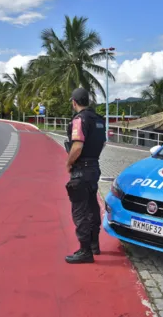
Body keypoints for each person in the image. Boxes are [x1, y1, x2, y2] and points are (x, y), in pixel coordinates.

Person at [64, 87, 106, 264]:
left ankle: (85, 251)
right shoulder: (99, 119)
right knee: (92, 206)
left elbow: (77, 146)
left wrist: (69, 163)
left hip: (81, 170)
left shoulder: (80, 120)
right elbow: (102, 142)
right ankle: (95, 244)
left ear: (74, 102)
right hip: (94, 167)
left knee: (80, 211)